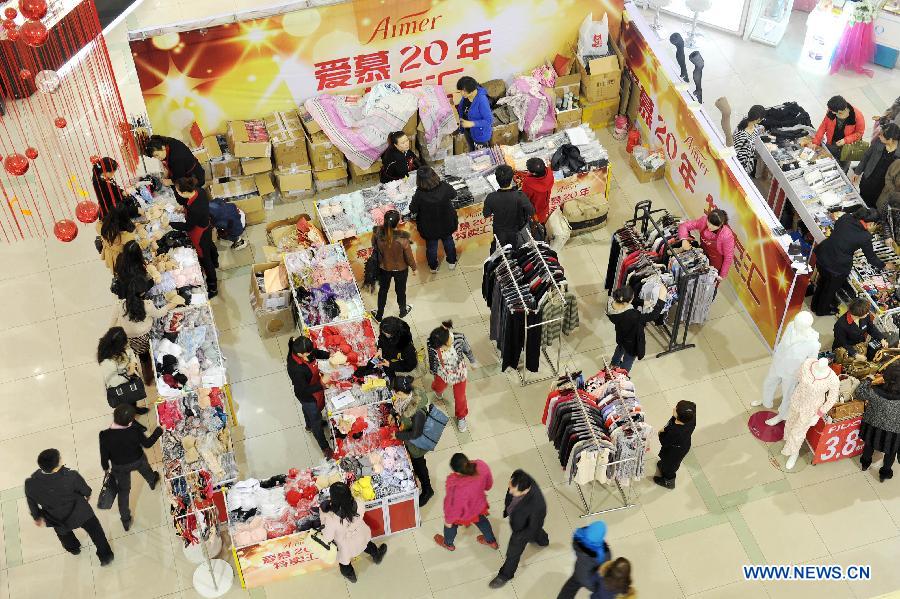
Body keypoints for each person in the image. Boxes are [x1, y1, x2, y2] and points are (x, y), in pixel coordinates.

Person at [25, 448, 114, 565]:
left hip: (56, 518)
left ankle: (74, 549)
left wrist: (36, 517)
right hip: (81, 512)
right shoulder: (71, 476)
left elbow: (31, 503)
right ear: (56, 465)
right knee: (96, 532)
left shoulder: (30, 483)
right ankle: (105, 556)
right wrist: (87, 495)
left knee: (64, 535)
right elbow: (86, 490)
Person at [811, 208, 896, 316]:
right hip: (836, 267)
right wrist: (884, 265)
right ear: (870, 223)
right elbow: (871, 258)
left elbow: (842, 235)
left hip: (823, 255)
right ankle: (822, 310)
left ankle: (814, 305)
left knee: (822, 282)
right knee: (830, 290)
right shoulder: (865, 237)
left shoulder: (845, 218)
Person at [99, 404, 162, 530]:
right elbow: (148, 444)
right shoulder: (134, 431)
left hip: (119, 467)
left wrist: (106, 467)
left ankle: (125, 520)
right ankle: (152, 481)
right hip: (137, 460)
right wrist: (158, 431)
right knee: (147, 471)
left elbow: (104, 457)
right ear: (130, 421)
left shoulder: (104, 435)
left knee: (123, 493)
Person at [110, 280, 179, 384]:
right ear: (142, 293)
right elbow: (159, 313)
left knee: (130, 360)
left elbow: (112, 322)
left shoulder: (119, 305)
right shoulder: (147, 305)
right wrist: (171, 304)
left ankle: (133, 378)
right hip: (142, 338)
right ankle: (148, 378)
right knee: (145, 358)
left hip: (126, 337)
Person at [489, 469, 549, 589]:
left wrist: (518, 538)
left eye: (513, 491)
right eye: (509, 487)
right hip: (523, 521)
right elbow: (510, 491)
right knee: (537, 532)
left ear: (525, 490)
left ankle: (505, 575)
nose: (510, 491)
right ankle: (543, 540)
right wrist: (508, 505)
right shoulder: (518, 475)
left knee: (513, 552)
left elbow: (533, 527)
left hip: (523, 530)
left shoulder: (538, 505)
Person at [319, 481, 388, 583]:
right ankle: (377, 557)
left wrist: (322, 513)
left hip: (345, 545)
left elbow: (327, 537)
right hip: (361, 534)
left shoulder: (331, 518)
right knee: (368, 545)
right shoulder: (359, 503)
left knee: (345, 563)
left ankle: (352, 577)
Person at [434, 453, 498, 551]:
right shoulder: (481, 465)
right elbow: (488, 485)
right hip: (479, 505)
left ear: (456, 471)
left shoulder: (454, 485)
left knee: (451, 526)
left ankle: (448, 544)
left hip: (464, 514)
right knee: (482, 521)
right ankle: (491, 541)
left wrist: (448, 521)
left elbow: (452, 507)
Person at [285, 336, 333, 459]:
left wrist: (329, 355)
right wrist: (322, 383)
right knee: (316, 421)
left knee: (309, 412)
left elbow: (315, 352)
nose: (311, 355)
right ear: (300, 354)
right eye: (308, 354)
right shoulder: (295, 368)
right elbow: (304, 390)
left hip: (314, 385)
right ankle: (325, 448)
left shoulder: (304, 350)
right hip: (307, 395)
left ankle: (308, 425)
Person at [392, 375, 435, 506]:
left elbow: (416, 433)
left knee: (419, 463)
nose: (395, 395)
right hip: (409, 439)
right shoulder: (405, 400)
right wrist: (394, 416)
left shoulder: (417, 412)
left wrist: (398, 436)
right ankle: (416, 472)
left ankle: (428, 489)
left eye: (396, 393)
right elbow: (402, 413)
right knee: (414, 462)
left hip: (416, 445)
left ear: (401, 392)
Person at [172, 177, 218, 298]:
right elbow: (193, 207)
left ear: (184, 192)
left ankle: (213, 286)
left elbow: (188, 226)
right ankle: (216, 260)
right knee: (210, 245)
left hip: (199, 233)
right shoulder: (199, 191)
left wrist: (170, 224)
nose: (177, 192)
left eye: (177, 191)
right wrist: (184, 209)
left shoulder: (194, 209)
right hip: (206, 225)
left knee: (205, 258)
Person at [854, 362, 900, 482]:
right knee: (891, 452)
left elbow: (859, 393)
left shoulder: (874, 391)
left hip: (872, 427)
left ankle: (865, 463)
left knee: (869, 445)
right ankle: (885, 472)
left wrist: (869, 379)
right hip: (894, 432)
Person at [606, 285, 668, 372]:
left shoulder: (611, 301)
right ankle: (622, 376)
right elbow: (653, 315)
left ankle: (613, 364)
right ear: (627, 301)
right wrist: (661, 298)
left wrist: (642, 302)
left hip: (621, 334)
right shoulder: (632, 315)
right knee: (628, 359)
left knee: (620, 348)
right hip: (632, 341)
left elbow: (627, 300)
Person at [428, 322, 477, 432]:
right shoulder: (432, 343)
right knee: (438, 387)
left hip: (459, 372)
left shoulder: (459, 338)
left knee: (460, 397)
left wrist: (473, 361)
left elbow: (467, 350)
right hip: (442, 372)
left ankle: (461, 416)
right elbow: (432, 357)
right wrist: (433, 370)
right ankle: (438, 390)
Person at [409, 166, 458, 273]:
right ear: (434, 175)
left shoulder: (419, 194)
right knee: (449, 242)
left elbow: (412, 209)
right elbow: (454, 194)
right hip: (446, 222)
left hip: (429, 226)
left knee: (431, 247)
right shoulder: (444, 186)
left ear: (419, 180)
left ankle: (433, 267)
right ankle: (452, 262)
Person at [372, 209, 416, 320]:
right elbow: (409, 257)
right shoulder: (403, 238)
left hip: (384, 268)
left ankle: (379, 315)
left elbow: (374, 246)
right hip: (401, 270)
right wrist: (414, 268)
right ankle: (402, 311)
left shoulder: (377, 234)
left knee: (383, 291)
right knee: (400, 291)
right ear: (397, 223)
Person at [97, 326, 148, 414]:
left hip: (127, 378)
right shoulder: (107, 361)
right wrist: (129, 374)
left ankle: (134, 409)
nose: (126, 344)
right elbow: (113, 381)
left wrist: (133, 363)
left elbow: (130, 352)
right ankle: (129, 418)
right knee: (125, 402)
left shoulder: (121, 343)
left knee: (132, 397)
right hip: (120, 385)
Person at [483, 164, 535, 251]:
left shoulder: (491, 197)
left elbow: (486, 214)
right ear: (511, 179)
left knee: (502, 254)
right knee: (519, 253)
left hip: (500, 232)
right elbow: (532, 212)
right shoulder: (520, 196)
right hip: (517, 232)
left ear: (497, 180)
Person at [677, 208, 735, 282]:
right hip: (702, 254)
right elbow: (685, 225)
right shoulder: (703, 221)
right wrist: (684, 239)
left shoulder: (726, 235)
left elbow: (728, 257)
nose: (710, 226)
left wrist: (722, 275)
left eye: (714, 226)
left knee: (707, 283)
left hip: (715, 263)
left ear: (721, 225)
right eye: (709, 222)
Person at [810, 95, 866, 170]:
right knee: (828, 160)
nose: (830, 112)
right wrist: (816, 141)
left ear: (840, 112)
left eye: (833, 111)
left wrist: (845, 140)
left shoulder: (857, 116)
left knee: (844, 165)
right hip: (832, 142)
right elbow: (824, 125)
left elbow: (859, 133)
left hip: (849, 146)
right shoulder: (831, 111)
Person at [557, 521, 610, 599]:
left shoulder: (578, 540)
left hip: (579, 572)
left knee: (569, 588)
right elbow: (606, 566)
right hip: (591, 581)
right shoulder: (604, 554)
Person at [852, 123, 900, 208]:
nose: (879, 136)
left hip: (882, 188)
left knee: (874, 206)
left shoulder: (898, 154)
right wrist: (857, 171)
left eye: (881, 135)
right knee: (862, 199)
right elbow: (867, 155)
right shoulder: (879, 142)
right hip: (868, 179)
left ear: (890, 139)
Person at [654, 400, 697, 489]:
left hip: (675, 451)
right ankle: (663, 466)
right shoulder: (691, 418)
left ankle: (669, 481)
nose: (674, 408)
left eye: (676, 408)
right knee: (665, 462)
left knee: (670, 466)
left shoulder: (675, 432)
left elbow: (664, 442)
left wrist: (661, 432)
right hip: (684, 443)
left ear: (678, 415)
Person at [832, 297, 888, 362]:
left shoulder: (865, 316)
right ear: (858, 314)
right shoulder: (840, 325)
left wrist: (881, 338)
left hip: (860, 345)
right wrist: (855, 354)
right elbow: (842, 343)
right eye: (866, 312)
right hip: (846, 349)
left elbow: (871, 328)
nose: (868, 313)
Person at [456, 76, 493, 150]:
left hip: (480, 134)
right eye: (460, 90)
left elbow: (489, 120)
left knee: (481, 156)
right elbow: (462, 109)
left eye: (463, 91)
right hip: (468, 130)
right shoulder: (466, 96)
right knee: (472, 150)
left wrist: (472, 123)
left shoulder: (482, 101)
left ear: (472, 91)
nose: (461, 93)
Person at [97, 206, 137, 272]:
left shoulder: (101, 227)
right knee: (122, 271)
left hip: (109, 252)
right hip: (121, 258)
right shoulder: (127, 237)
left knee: (114, 268)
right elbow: (134, 247)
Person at [517, 157, 555, 224]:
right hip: (545, 204)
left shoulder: (529, 183)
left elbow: (525, 197)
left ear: (534, 173)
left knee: (536, 221)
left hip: (535, 208)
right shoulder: (549, 172)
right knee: (542, 217)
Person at [733, 104, 766, 176]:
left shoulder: (748, 122)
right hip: (740, 166)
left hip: (748, 162)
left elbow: (755, 129)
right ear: (758, 119)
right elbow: (734, 152)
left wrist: (760, 128)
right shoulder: (742, 134)